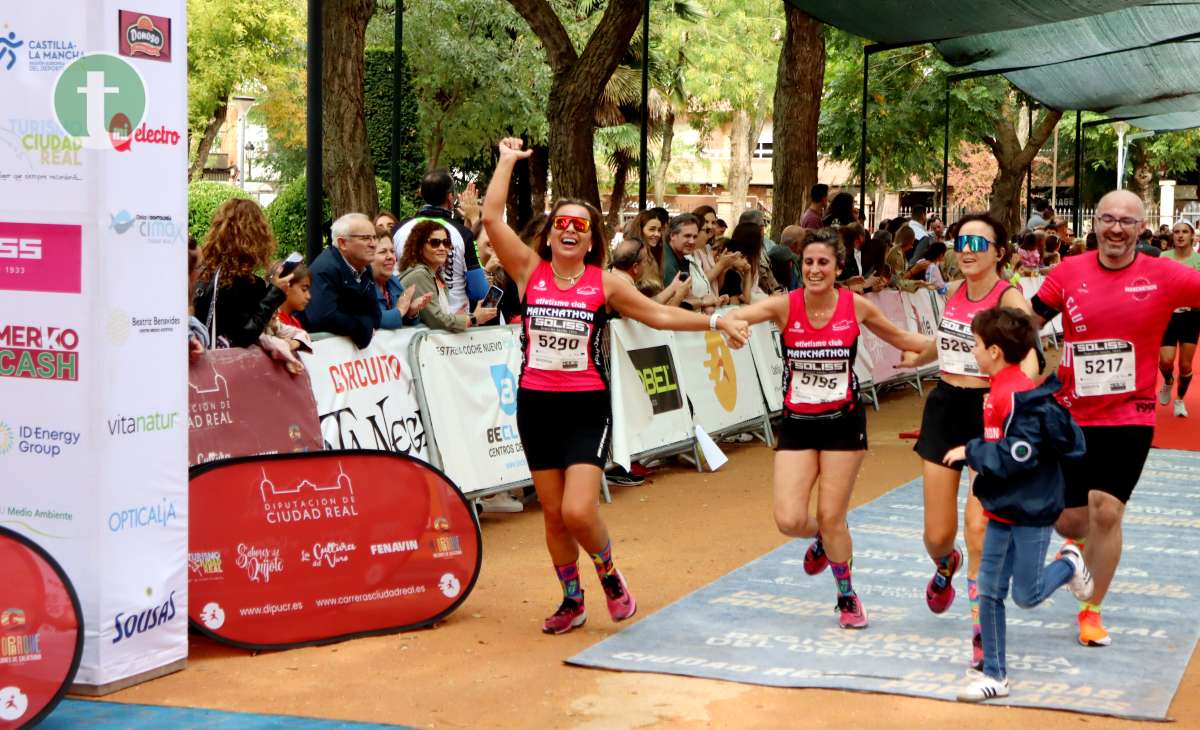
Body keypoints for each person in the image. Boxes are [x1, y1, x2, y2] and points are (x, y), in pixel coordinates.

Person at [482, 137, 750, 635]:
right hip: (535, 406)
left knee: (578, 510)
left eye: (578, 226)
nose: (568, 230)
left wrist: (716, 324)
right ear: (548, 234)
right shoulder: (529, 272)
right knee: (554, 518)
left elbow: (661, 316)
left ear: (591, 239)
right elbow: (493, 218)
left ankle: (608, 574)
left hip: (585, 406)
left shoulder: (603, 284)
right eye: (560, 222)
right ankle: (571, 599)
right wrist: (505, 161)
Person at [731, 228, 932, 628]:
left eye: (823, 262)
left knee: (831, 514)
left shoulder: (854, 306)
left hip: (843, 422)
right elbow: (738, 314)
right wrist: (730, 326)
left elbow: (902, 336)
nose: (815, 269)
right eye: (808, 262)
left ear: (839, 267)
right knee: (789, 519)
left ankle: (846, 596)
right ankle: (822, 540)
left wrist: (947, 343)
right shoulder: (784, 305)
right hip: (798, 424)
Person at [1030, 190, 1200, 647]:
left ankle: (1091, 610)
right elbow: (1029, 320)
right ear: (1096, 225)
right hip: (1071, 411)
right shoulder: (1068, 272)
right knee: (1069, 522)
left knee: (1108, 510)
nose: (1116, 228)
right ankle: (1074, 556)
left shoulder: (1164, 274)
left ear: (1142, 228)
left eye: (1127, 221)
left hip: (1132, 412)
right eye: (1108, 218)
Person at [900, 212, 1036, 671]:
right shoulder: (955, 291)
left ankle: (981, 629)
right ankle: (945, 563)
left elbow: (1030, 360)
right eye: (963, 241)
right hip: (945, 409)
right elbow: (949, 343)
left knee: (979, 528)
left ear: (1000, 252)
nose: (969, 249)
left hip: (989, 415)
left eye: (980, 242)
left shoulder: (1009, 296)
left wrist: (1015, 403)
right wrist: (916, 352)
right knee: (937, 535)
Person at [943, 307, 1092, 702]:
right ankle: (995, 674)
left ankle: (1069, 564)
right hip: (1002, 507)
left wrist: (970, 452)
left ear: (993, 351)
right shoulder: (999, 389)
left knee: (1026, 594)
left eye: (975, 345)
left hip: (1031, 510)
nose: (971, 351)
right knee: (990, 590)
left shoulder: (1014, 394)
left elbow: (1019, 453)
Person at [193, 199, 291, 348]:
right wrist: (274, 294)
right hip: (228, 367)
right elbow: (244, 336)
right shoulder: (247, 284)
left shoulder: (202, 272)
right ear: (258, 237)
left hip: (199, 361)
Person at [394, 169, 486, 313]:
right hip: (454, 322)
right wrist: (474, 219)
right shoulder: (462, 234)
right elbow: (480, 291)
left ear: (421, 194)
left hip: (409, 320)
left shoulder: (398, 229)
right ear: (450, 198)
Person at [398, 220, 498, 332]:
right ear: (420, 247)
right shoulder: (420, 274)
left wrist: (457, 317)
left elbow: (438, 318)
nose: (442, 248)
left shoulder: (437, 276)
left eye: (446, 242)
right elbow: (437, 321)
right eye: (435, 243)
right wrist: (474, 319)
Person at [300, 213, 383, 348]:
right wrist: (363, 327)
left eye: (375, 237)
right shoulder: (325, 268)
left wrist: (362, 324)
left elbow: (375, 316)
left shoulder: (365, 268)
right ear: (342, 243)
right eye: (366, 238)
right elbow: (323, 317)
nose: (373, 244)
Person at [1158, 220, 1200, 418]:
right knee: (1166, 361)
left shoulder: (1198, 260)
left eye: (1184, 232)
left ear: (1192, 235)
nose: (1180, 235)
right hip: (1167, 316)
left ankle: (1180, 400)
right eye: (1176, 232)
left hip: (1191, 316)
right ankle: (1167, 381)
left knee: (1185, 366)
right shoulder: (1163, 257)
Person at [371, 234, 432, 329]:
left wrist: (411, 312)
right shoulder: (361, 284)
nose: (391, 257)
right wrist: (400, 310)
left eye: (392, 251)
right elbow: (372, 320)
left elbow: (402, 320)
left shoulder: (393, 281)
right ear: (367, 257)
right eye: (383, 252)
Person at [610, 238, 688, 306]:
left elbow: (647, 304)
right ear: (635, 267)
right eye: (645, 261)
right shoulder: (625, 290)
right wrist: (679, 296)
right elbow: (655, 318)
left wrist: (673, 287)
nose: (646, 266)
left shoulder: (615, 279)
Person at [623, 210, 666, 295]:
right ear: (640, 230)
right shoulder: (633, 256)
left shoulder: (654, 254)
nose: (657, 234)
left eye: (659, 230)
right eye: (652, 229)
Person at [275, 260, 311, 330]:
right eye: (304, 289)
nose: (308, 296)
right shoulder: (274, 323)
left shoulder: (295, 322)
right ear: (286, 287)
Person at [769, 225, 806, 291]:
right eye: (803, 243)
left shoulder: (771, 254)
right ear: (795, 244)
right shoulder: (786, 260)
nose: (804, 247)